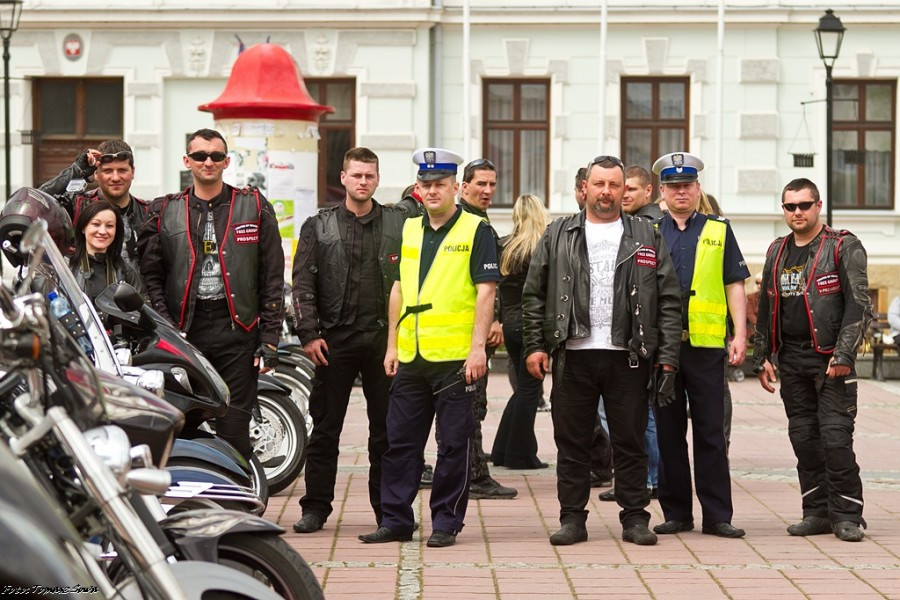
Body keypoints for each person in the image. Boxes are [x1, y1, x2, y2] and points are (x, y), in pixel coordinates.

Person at [522, 155, 682, 547]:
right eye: (599, 184)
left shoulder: (646, 234)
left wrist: (667, 355)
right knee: (572, 443)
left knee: (630, 442)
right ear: (585, 188)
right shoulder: (559, 233)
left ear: (624, 189)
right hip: (572, 353)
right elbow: (533, 293)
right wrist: (534, 345)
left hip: (628, 354)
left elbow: (668, 298)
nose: (606, 192)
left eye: (614, 185)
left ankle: (635, 518)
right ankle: (572, 519)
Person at [359, 148, 498, 548]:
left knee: (453, 445)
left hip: (455, 359)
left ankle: (445, 523)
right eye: (426, 184)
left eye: (440, 184)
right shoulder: (410, 229)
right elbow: (398, 289)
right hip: (411, 355)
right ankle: (396, 520)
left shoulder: (476, 230)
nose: (432, 191)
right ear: (417, 189)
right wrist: (391, 346)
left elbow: (486, 292)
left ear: (456, 187)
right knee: (399, 443)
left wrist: (478, 349)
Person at [138, 128, 284, 460]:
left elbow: (272, 275)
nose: (208, 162)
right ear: (187, 160)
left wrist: (269, 339)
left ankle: (240, 491)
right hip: (185, 332)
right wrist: (167, 326)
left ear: (226, 162)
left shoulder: (253, 205)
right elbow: (151, 275)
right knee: (183, 424)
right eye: (200, 155)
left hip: (238, 331)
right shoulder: (165, 209)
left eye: (216, 156)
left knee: (234, 429)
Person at [291, 148, 405, 534]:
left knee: (386, 432)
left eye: (369, 176)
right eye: (356, 175)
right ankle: (315, 508)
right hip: (333, 341)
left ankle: (387, 512)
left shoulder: (398, 223)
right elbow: (302, 282)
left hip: (383, 341)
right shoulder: (318, 226)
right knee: (325, 429)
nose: (363, 182)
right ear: (343, 178)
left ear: (378, 179)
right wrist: (309, 334)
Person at [754, 178, 873, 542]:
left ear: (818, 206)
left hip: (830, 359)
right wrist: (762, 356)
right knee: (804, 439)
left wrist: (844, 353)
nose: (797, 212)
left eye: (804, 205)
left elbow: (859, 305)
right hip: (791, 358)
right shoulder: (777, 250)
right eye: (790, 206)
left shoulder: (843, 246)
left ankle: (847, 515)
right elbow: (766, 306)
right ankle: (817, 513)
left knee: (835, 438)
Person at [651, 151, 749, 539]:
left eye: (687, 186)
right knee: (668, 434)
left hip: (706, 348)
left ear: (698, 189)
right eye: (674, 186)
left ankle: (717, 515)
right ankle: (676, 513)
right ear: (662, 192)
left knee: (710, 434)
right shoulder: (648, 231)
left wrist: (739, 334)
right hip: (664, 349)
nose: (681, 192)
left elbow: (734, 284)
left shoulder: (719, 230)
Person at [598, 164, 663, 503]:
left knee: (642, 414)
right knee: (630, 413)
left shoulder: (649, 227)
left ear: (648, 192)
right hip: (626, 333)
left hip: (637, 336)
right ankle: (640, 477)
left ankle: (648, 478)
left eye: (631, 189)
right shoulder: (627, 224)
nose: (624, 195)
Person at [458, 158, 517, 500]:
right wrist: (492, 320)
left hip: (478, 330)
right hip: (469, 332)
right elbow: (481, 284)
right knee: (469, 405)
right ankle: (473, 476)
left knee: (473, 405)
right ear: (464, 186)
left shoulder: (480, 222)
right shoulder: (466, 223)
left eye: (492, 184)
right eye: (481, 183)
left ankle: (472, 472)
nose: (488, 190)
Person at [490, 194, 551, 470]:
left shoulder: (505, 245)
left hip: (511, 325)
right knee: (529, 390)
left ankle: (503, 450)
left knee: (522, 390)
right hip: (532, 325)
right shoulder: (542, 247)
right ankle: (519, 455)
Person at [40, 140, 148, 282]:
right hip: (84, 292)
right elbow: (37, 203)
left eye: (122, 170)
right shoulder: (77, 205)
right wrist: (76, 171)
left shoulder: (149, 213)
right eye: (108, 171)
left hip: (138, 294)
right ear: (96, 174)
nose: (115, 178)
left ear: (133, 172)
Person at [69, 201, 144, 301]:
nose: (102, 231)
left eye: (109, 226)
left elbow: (140, 307)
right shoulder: (65, 266)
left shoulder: (126, 271)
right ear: (83, 228)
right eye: (96, 224)